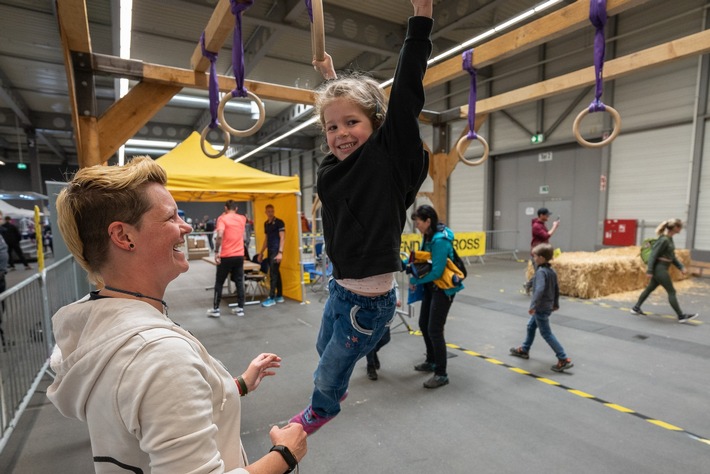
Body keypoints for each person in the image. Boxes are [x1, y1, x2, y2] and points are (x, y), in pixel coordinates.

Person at [47, 157, 307, 473]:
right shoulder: (159, 358)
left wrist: (236, 385)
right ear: (124, 236)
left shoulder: (102, 328)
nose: (185, 226)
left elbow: (150, 408)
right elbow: (163, 380)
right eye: (171, 217)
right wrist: (285, 455)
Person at [288, 0, 432, 434]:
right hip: (340, 289)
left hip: (367, 302)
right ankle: (352, 363)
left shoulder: (387, 159)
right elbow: (348, 117)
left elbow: (405, 92)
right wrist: (333, 80)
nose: (340, 134)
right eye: (331, 127)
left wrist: (420, 19)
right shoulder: (337, 168)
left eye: (352, 123)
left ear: (377, 124)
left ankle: (323, 408)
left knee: (327, 373)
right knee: (321, 347)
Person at [409, 205, 463, 388]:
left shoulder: (440, 241)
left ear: (428, 221)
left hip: (443, 289)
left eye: (418, 222)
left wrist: (416, 280)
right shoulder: (428, 236)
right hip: (431, 288)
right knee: (424, 324)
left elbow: (438, 271)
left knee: (434, 329)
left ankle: (441, 374)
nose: (416, 225)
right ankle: (431, 360)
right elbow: (424, 260)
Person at [510, 243, 573, 372]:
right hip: (548, 306)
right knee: (531, 326)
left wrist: (533, 306)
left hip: (540, 307)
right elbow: (556, 289)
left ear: (542, 258)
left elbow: (539, 290)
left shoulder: (541, 272)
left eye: (535, 256)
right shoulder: (551, 271)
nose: (533, 258)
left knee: (546, 333)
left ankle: (563, 358)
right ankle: (524, 349)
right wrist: (555, 304)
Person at [631, 219, 699, 323]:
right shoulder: (664, 240)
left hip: (662, 268)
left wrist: (681, 267)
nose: (681, 229)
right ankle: (681, 316)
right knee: (672, 291)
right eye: (680, 227)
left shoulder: (669, 239)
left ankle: (636, 308)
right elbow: (653, 254)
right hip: (660, 269)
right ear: (675, 228)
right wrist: (649, 270)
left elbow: (672, 257)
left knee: (649, 288)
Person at [207, 200, 247, 318]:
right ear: (236, 208)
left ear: (225, 208)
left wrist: (215, 251)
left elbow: (219, 235)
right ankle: (240, 308)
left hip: (226, 255)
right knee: (239, 281)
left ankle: (216, 309)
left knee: (219, 282)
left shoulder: (222, 219)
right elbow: (243, 235)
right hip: (239, 255)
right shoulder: (242, 218)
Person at [523, 207, 559, 294]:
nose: (548, 217)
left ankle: (529, 285)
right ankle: (534, 288)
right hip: (537, 253)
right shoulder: (536, 226)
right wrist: (554, 226)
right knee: (539, 272)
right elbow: (546, 236)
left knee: (541, 271)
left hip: (542, 252)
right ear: (541, 215)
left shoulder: (541, 224)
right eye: (547, 215)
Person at [258, 204, 285, 307]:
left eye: (272, 211)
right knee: (276, 272)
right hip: (270, 250)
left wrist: (280, 253)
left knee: (273, 274)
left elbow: (282, 238)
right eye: (268, 211)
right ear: (266, 212)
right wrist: (261, 252)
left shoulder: (279, 222)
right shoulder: (266, 224)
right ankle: (280, 296)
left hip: (276, 251)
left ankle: (271, 298)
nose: (270, 213)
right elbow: (266, 239)